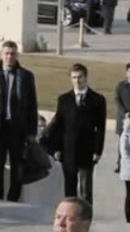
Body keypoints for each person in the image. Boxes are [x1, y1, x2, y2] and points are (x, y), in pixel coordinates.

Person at [0, 40, 38, 202]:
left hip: (18, 129)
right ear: (1, 55)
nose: (9, 57)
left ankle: (13, 200)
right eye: (7, 53)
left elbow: (32, 105)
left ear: (16, 55)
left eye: (12, 54)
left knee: (17, 169)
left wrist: (32, 131)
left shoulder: (25, 76)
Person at [45, 63, 106, 204]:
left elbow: (100, 128)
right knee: (69, 188)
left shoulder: (97, 100)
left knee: (86, 190)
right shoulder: (64, 100)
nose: (77, 81)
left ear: (86, 77)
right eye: (74, 78)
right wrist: (57, 148)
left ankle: (86, 217)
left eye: (80, 77)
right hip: (68, 150)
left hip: (87, 150)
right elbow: (59, 126)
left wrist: (98, 150)